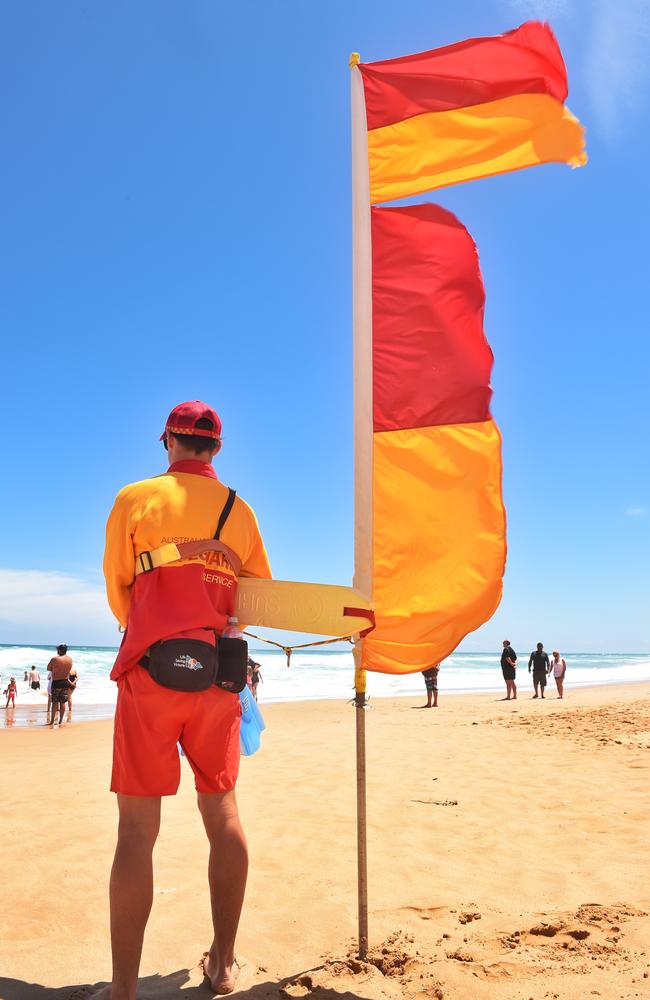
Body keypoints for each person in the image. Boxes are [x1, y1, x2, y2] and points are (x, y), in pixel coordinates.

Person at [84, 400, 271, 1000]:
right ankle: (223, 964)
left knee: (137, 832)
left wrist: (145, 625)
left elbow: (119, 585)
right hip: (218, 679)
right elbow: (257, 598)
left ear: (168, 439)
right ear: (216, 449)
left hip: (152, 675)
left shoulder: (135, 497)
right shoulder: (240, 510)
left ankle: (122, 991)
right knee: (223, 815)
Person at [47, 644, 74, 727]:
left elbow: (48, 668)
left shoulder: (55, 659)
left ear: (60, 650)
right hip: (65, 682)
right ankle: (60, 721)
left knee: (55, 702)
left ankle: (52, 721)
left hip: (56, 682)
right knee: (63, 702)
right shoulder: (70, 659)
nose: (57, 651)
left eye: (58, 649)